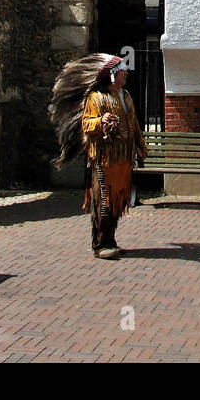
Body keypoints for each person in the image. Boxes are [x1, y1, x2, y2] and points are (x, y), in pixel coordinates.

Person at [49, 53, 147, 260]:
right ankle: (100, 244)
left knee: (118, 202)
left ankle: (110, 240)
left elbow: (134, 123)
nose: (126, 73)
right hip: (105, 158)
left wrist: (140, 144)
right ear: (112, 75)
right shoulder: (96, 98)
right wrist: (102, 121)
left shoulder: (125, 96)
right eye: (122, 71)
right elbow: (87, 124)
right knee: (104, 201)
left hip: (123, 158)